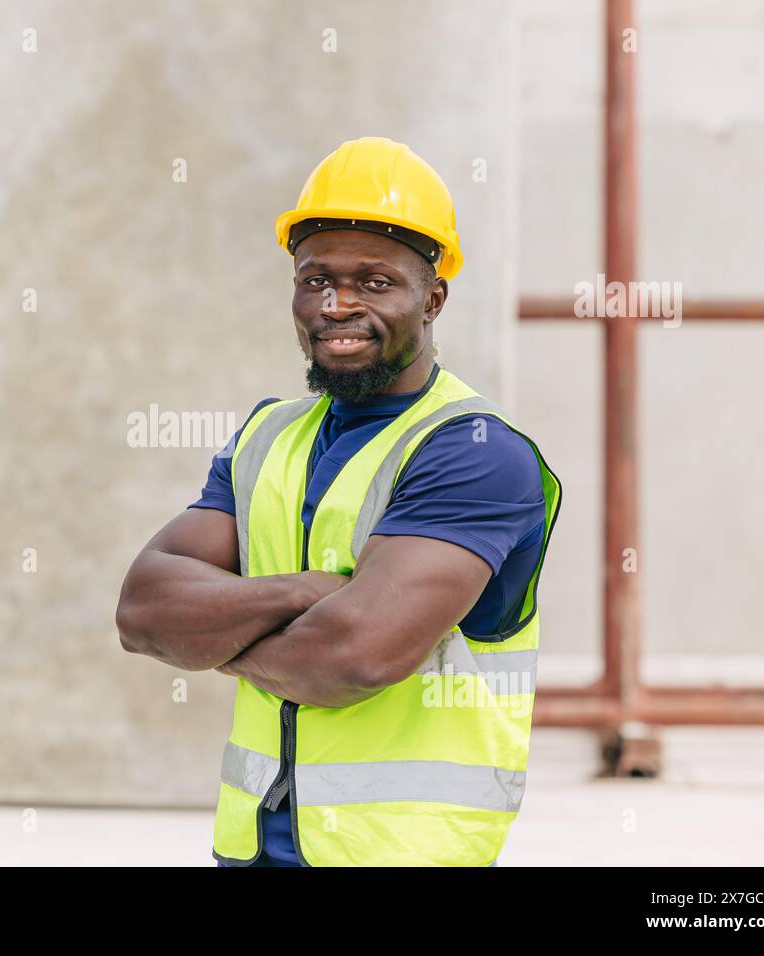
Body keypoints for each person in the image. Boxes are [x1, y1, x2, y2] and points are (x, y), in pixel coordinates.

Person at [116, 137, 562, 866]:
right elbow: (142, 612)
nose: (338, 305)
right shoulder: (267, 437)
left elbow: (353, 657)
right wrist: (303, 593)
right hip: (253, 846)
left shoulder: (476, 453)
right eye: (315, 278)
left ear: (434, 298)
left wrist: (220, 636)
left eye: (376, 281)